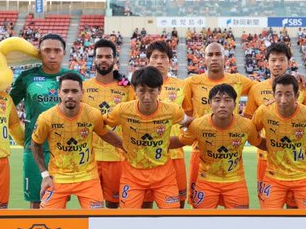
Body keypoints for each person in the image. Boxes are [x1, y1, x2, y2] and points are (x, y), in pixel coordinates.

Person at [31, 73, 123, 209]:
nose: (70, 95)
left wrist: (128, 147)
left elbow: (106, 135)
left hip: (88, 178)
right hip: (57, 177)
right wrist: (45, 175)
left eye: (74, 91)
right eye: (65, 91)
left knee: (96, 218)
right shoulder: (46, 118)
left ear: (82, 93)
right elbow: (35, 144)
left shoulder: (93, 114)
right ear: (59, 93)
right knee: (47, 218)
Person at [103, 66, 191, 209]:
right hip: (132, 174)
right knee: (128, 217)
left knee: (172, 216)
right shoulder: (122, 110)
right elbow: (99, 124)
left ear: (159, 90)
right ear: (134, 90)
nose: (147, 96)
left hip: (164, 174)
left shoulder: (172, 110)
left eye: (152, 91)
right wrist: (119, 143)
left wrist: (181, 140)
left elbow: (190, 123)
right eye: (142, 90)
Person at [182, 42, 255, 205]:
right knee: (200, 208)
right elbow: (186, 112)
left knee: (236, 210)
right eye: (210, 55)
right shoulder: (192, 82)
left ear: (225, 58)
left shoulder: (238, 80)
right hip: (200, 150)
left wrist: (247, 116)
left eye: (218, 54)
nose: (214, 58)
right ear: (204, 58)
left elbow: (263, 89)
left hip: (230, 150)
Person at [172, 83, 264, 209]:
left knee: (240, 220)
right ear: (210, 103)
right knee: (202, 220)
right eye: (217, 100)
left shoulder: (246, 126)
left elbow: (260, 143)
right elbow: (180, 141)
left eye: (227, 100)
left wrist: (284, 144)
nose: (222, 105)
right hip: (206, 181)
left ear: (235, 104)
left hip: (235, 181)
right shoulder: (198, 125)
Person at [242, 42, 306, 201]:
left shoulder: (302, 86)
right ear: (266, 63)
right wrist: (262, 143)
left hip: (296, 160)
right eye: (273, 60)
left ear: (289, 62)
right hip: (266, 158)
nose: (277, 64)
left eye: (281, 60)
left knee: (296, 209)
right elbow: (248, 124)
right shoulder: (256, 89)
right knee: (268, 207)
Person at [10, 33, 73, 209]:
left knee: (59, 200)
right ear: (40, 52)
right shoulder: (27, 77)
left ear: (64, 53)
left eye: (57, 51)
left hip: (65, 149)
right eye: (47, 50)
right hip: (34, 148)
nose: (52, 55)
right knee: (37, 199)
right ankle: (36, 228)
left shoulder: (73, 77)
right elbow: (6, 105)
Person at [252, 74, 306, 209]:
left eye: (288, 94)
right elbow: (251, 133)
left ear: (297, 95)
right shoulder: (264, 111)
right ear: (273, 94)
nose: (283, 100)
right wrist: (265, 145)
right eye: (279, 94)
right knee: (268, 218)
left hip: (304, 177)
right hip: (274, 177)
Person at [82, 39, 134, 208]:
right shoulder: (82, 87)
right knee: (92, 206)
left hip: (117, 157)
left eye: (108, 56)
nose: (103, 59)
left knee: (114, 205)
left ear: (114, 59)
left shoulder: (126, 88)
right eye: (100, 56)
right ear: (94, 59)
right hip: (89, 158)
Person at [145, 40, 188, 207]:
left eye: (163, 57)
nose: (159, 61)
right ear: (148, 60)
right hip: (146, 155)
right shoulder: (137, 85)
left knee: (178, 204)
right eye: (155, 57)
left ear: (170, 61)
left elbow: (189, 116)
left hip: (174, 153)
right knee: (144, 206)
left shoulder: (182, 86)